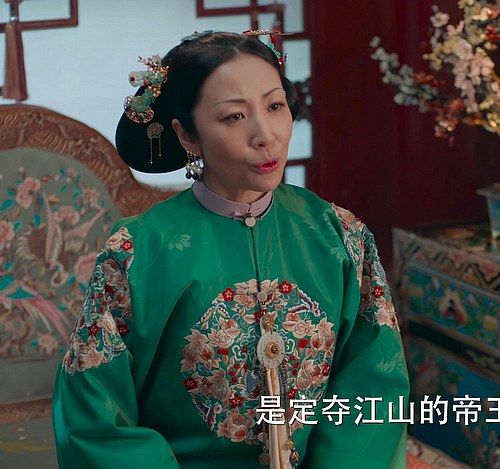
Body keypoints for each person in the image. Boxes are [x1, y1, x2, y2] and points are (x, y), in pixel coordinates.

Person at [52, 30, 410, 469]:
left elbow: (375, 387)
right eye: (234, 116)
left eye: (275, 106)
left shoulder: (339, 235)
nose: (265, 135)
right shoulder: (136, 254)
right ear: (187, 135)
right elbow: (96, 418)